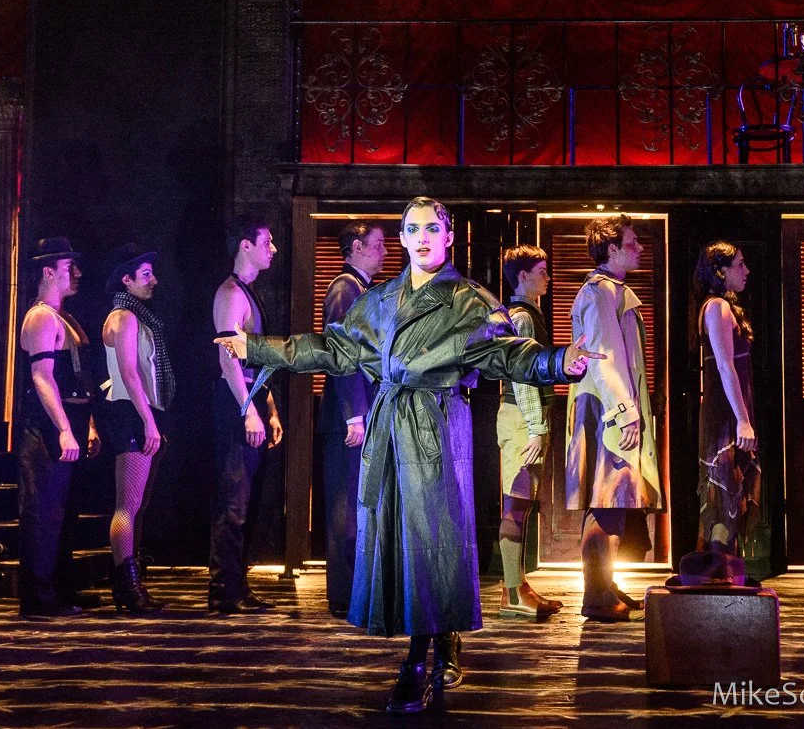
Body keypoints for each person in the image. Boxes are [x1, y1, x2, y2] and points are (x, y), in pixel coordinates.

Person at [216, 197, 598, 714]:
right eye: (411, 228)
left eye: (431, 229)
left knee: (434, 536)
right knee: (402, 537)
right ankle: (438, 640)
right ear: (400, 238)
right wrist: (258, 348)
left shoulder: (468, 299)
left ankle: (421, 654)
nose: (421, 237)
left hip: (439, 425)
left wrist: (559, 359)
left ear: (448, 236)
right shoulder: (380, 300)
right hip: (391, 425)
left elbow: (508, 352)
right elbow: (334, 349)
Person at [565, 215, 662, 623]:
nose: (639, 248)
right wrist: (625, 413)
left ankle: (604, 586)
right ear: (612, 248)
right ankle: (597, 596)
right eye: (633, 242)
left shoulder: (611, 291)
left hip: (613, 406)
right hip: (607, 409)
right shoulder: (600, 293)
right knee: (607, 500)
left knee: (616, 501)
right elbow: (604, 360)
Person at [17, 237, 101, 618]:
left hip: (72, 420)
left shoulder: (62, 316)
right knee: (44, 510)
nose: (78, 273)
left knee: (64, 511)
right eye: (70, 267)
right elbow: (42, 376)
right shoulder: (40, 317)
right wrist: (64, 428)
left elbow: (79, 377)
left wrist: (88, 425)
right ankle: (39, 594)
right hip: (49, 425)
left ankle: (61, 586)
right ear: (48, 271)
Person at [208, 216, 283, 614]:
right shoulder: (231, 293)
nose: (273, 249)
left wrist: (267, 408)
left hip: (252, 399)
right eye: (267, 242)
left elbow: (257, 358)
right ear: (245, 246)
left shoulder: (251, 293)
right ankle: (223, 590)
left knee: (247, 503)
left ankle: (238, 584)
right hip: (236, 402)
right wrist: (247, 410)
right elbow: (228, 356)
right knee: (233, 502)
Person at [101, 243, 174, 614]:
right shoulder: (124, 316)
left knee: (136, 504)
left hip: (138, 410)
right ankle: (126, 587)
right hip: (130, 412)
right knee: (127, 505)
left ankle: (131, 583)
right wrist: (148, 421)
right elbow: (129, 372)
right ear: (126, 280)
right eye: (145, 274)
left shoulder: (134, 316)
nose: (153, 280)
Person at [318, 220, 386, 618]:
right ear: (357, 246)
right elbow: (343, 356)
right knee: (346, 506)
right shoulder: (345, 288)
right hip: (350, 419)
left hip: (359, 415)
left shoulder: (359, 288)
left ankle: (356, 590)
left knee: (357, 504)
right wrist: (354, 415)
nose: (384, 251)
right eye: (377, 244)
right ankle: (345, 595)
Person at [496, 245, 563, 617]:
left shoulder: (530, 315)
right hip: (521, 417)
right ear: (522, 276)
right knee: (516, 503)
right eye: (542, 270)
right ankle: (511, 592)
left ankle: (517, 585)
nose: (548, 276)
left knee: (522, 502)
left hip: (527, 418)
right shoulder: (522, 317)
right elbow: (522, 379)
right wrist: (537, 427)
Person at [692, 241, 761, 555]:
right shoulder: (716, 307)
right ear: (720, 271)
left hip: (734, 410)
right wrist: (743, 421)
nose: (746, 271)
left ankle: (725, 572)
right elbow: (724, 364)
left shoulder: (725, 306)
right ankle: (717, 574)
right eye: (739, 265)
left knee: (732, 489)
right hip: (725, 414)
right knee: (724, 490)